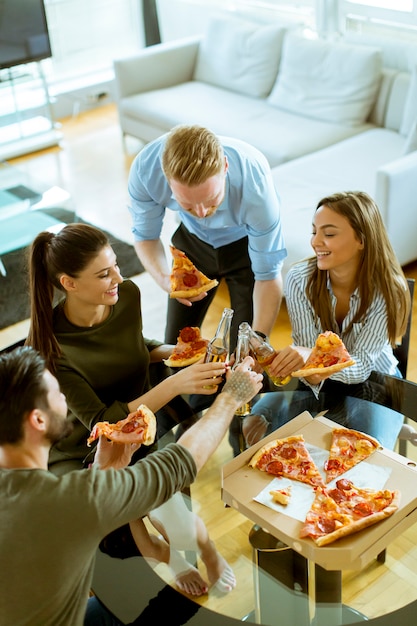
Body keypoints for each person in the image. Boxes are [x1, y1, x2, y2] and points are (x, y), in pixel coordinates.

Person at [25, 223, 236, 597]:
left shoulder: (126, 295)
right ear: (69, 284)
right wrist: (176, 384)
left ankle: (199, 548)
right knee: (133, 524)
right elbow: (104, 423)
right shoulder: (53, 349)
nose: (119, 277)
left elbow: (133, 345)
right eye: (104, 274)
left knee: (178, 523)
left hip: (145, 426)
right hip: (85, 447)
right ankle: (164, 550)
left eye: (116, 266)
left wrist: (174, 353)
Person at [0, 346, 262, 626]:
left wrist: (103, 473)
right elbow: (177, 465)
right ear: (38, 420)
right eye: (56, 393)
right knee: (175, 610)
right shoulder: (66, 500)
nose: (64, 398)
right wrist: (230, 397)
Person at [244, 191, 411, 450]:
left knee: (364, 453)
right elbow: (309, 359)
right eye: (314, 232)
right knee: (258, 424)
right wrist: (301, 361)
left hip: (376, 379)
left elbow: (361, 367)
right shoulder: (300, 279)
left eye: (329, 234)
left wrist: (310, 359)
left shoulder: (389, 290)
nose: (316, 241)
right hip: (319, 380)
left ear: (362, 240)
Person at [127, 124, 287, 352]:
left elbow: (269, 276)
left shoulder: (256, 187)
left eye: (211, 199)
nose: (202, 212)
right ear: (166, 178)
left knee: (244, 351)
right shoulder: (145, 170)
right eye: (187, 204)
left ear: (225, 167)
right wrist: (165, 279)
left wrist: (258, 342)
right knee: (175, 344)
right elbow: (145, 237)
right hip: (192, 243)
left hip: (245, 248)